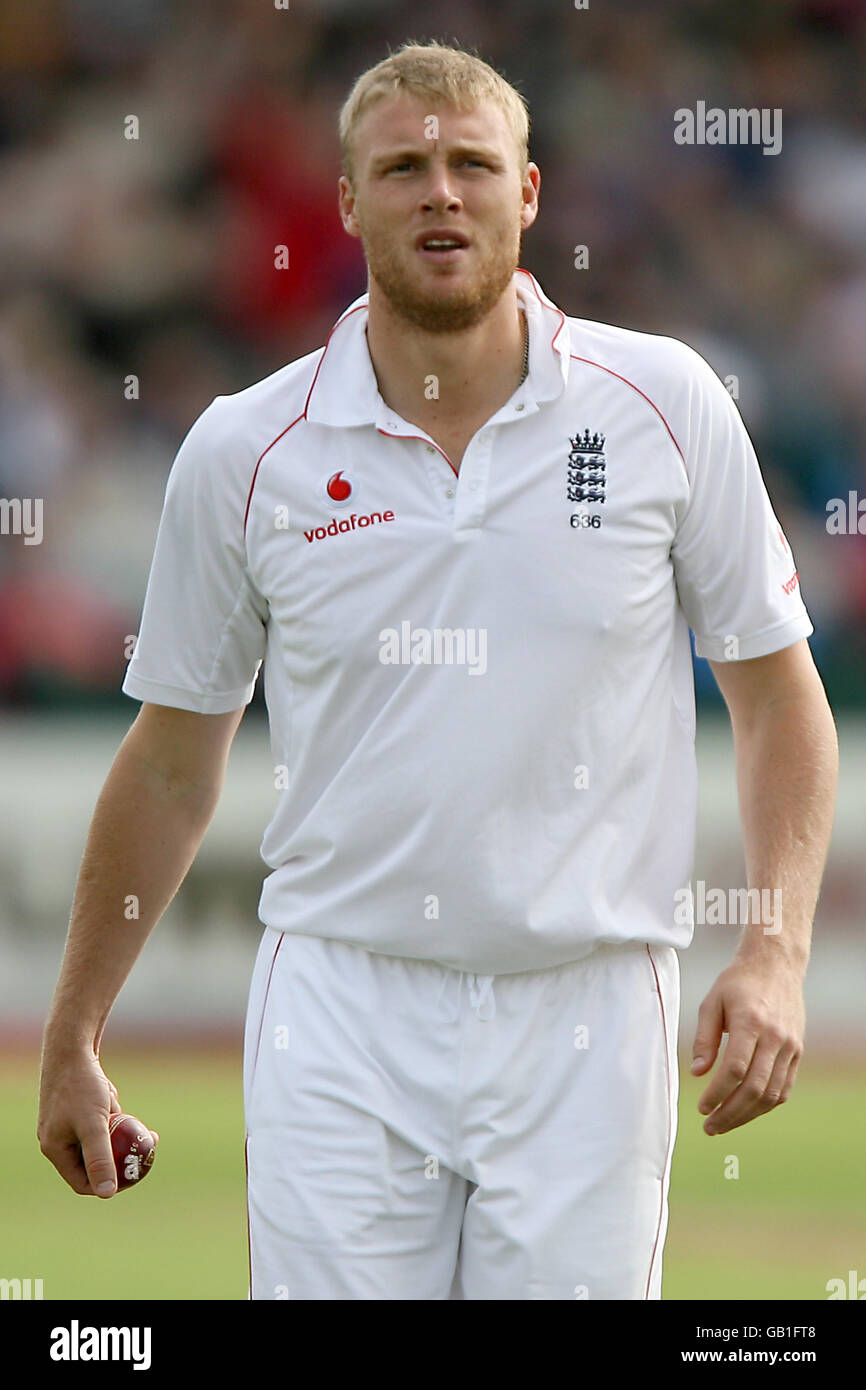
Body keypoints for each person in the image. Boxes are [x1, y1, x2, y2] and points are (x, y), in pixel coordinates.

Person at [38, 40, 838, 1300]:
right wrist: (75, 1030)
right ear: (348, 203)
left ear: (528, 193)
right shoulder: (248, 449)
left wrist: (776, 952)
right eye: (402, 167)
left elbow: (776, 695)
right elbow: (169, 762)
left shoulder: (663, 403)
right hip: (342, 1008)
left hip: (587, 1008)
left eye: (471, 165)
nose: (440, 193)